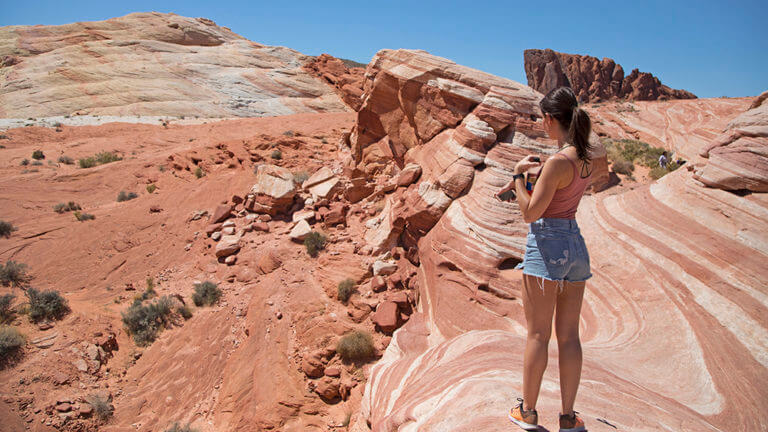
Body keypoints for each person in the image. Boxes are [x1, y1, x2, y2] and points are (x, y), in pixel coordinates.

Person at [495, 86, 592, 432]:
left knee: (538, 334)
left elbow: (530, 214)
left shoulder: (555, 162)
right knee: (569, 336)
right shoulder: (586, 158)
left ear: (552, 119)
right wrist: (537, 182)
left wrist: (519, 178)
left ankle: (528, 412)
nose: (542, 124)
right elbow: (561, 194)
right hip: (575, 245)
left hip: (546, 246)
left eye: (543, 119)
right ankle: (568, 417)